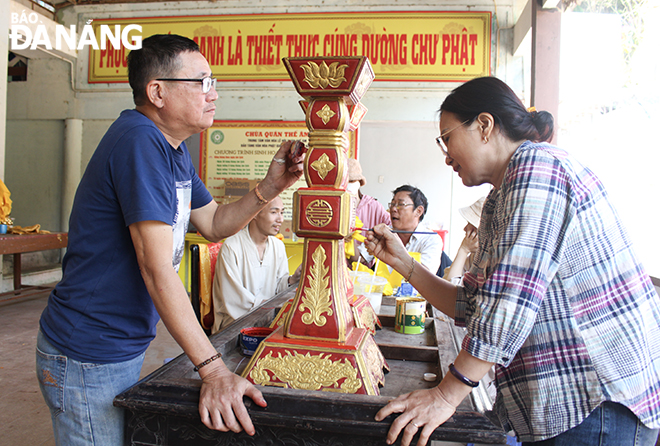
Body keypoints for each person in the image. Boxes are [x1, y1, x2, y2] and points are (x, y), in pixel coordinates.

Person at [35, 34, 305, 446]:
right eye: (202, 82)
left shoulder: (171, 149)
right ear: (157, 92)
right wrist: (212, 369)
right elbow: (156, 267)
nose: (213, 94)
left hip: (117, 342)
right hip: (87, 349)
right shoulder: (139, 142)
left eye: (213, 82)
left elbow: (213, 222)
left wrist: (269, 187)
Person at [365, 76, 660, 446]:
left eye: (447, 137)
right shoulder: (498, 200)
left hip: (595, 403)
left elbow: (508, 302)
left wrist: (447, 394)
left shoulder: (537, 168)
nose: (446, 154)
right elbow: (475, 305)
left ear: (485, 126)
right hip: (568, 406)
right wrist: (405, 263)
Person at [212, 196, 302, 333]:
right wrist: (270, 308)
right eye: (274, 212)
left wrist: (292, 279)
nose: (280, 219)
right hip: (235, 325)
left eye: (282, 213)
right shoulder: (232, 246)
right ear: (255, 213)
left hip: (269, 318)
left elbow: (278, 288)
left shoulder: (278, 246)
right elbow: (235, 300)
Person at [361, 185, 443, 276]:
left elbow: (424, 277)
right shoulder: (384, 234)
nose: (393, 209)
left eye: (400, 204)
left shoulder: (431, 240)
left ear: (418, 211)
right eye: (392, 204)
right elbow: (359, 258)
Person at [345, 158, 391, 267]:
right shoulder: (332, 206)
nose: (348, 185)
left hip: (364, 272)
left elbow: (391, 228)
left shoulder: (373, 206)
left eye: (352, 181)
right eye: (345, 182)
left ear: (360, 183)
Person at [442, 196, 485, 284]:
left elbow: (451, 287)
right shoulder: (475, 255)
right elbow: (446, 280)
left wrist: (464, 249)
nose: (465, 228)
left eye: (470, 224)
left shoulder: (488, 259)